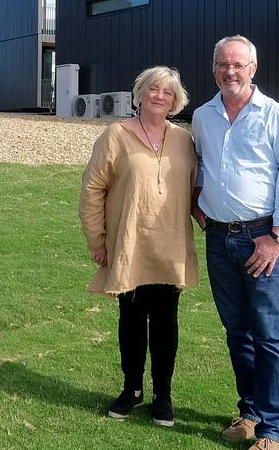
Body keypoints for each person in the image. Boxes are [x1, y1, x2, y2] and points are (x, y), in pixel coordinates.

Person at [191, 35, 279, 450]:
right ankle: (250, 413)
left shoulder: (274, 116)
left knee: (268, 333)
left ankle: (273, 429)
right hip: (219, 239)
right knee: (236, 331)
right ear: (214, 68)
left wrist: (276, 238)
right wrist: (197, 203)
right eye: (223, 64)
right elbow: (201, 165)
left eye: (238, 64)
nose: (230, 71)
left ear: (253, 69)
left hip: (262, 239)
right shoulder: (203, 116)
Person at [79, 65, 198, 427]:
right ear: (140, 94)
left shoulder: (184, 140)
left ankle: (163, 394)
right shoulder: (116, 135)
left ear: (176, 100)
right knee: (131, 321)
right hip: (129, 244)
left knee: (166, 323)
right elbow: (92, 189)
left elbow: (196, 187)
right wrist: (97, 240)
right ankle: (132, 389)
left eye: (167, 92)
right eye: (153, 90)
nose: (160, 96)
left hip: (170, 245)